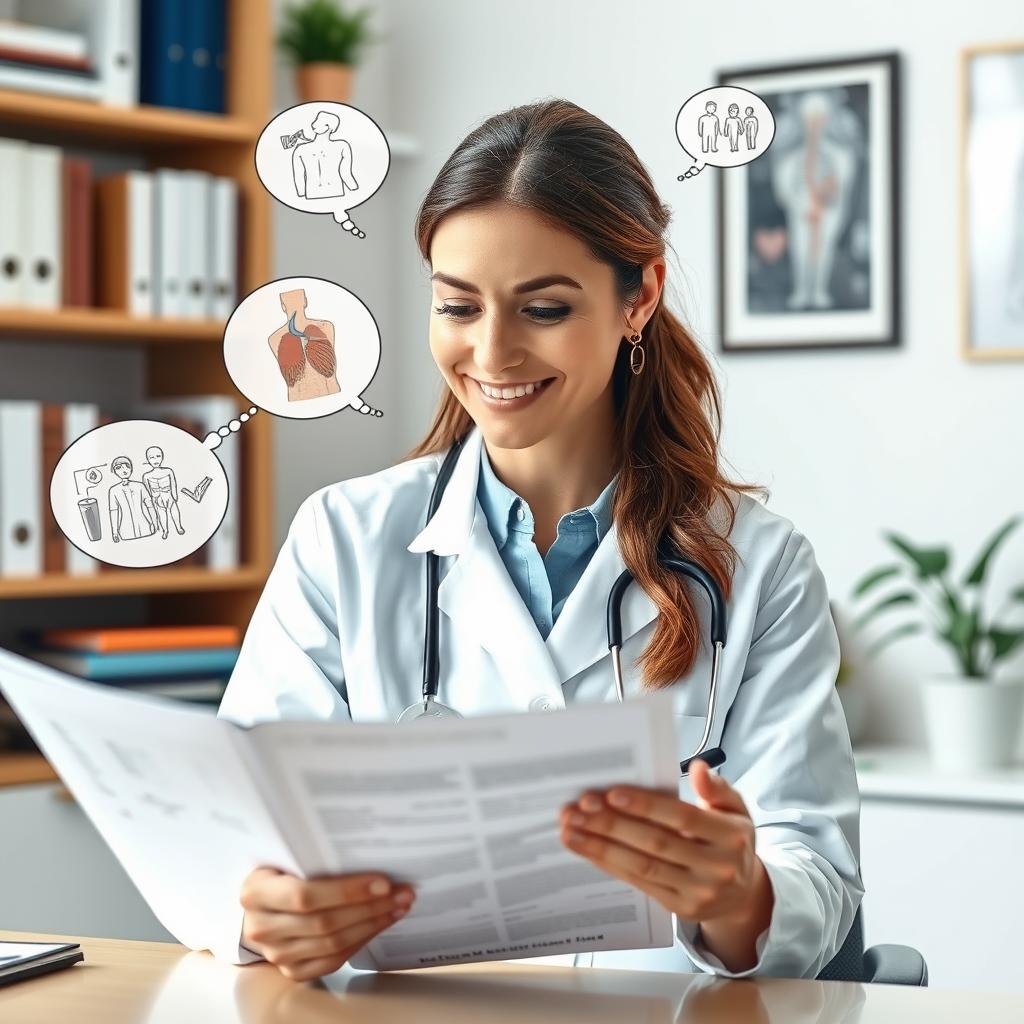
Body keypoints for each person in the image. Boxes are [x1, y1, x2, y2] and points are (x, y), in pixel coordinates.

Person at [214, 98, 862, 984]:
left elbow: (817, 883)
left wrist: (741, 893)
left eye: (544, 309)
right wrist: (267, 913)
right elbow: (236, 838)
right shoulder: (344, 538)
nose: (492, 352)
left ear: (641, 296)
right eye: (457, 306)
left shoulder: (761, 567)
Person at [107, 455, 156, 542]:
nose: (124, 470)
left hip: (145, 527)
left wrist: (154, 523)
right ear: (114, 471)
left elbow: (150, 506)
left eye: (127, 466)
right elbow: (114, 511)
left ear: (131, 469)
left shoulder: (140, 485)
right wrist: (114, 532)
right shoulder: (113, 490)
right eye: (119, 468)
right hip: (126, 531)